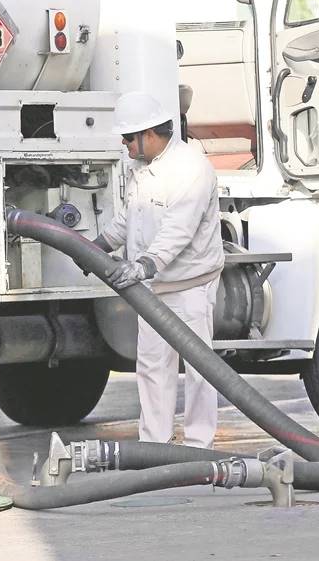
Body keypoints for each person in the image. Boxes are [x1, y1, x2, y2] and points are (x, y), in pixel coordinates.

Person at [94, 91, 226, 448]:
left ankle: (199, 444)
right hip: (152, 288)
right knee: (153, 367)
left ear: (149, 134)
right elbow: (130, 218)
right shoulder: (142, 167)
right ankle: (155, 444)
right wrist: (98, 245)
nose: (124, 144)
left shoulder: (191, 169)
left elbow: (178, 229)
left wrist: (145, 264)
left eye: (128, 137)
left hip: (189, 287)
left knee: (200, 369)